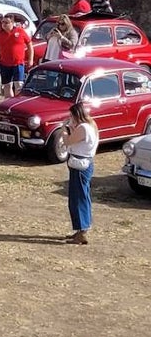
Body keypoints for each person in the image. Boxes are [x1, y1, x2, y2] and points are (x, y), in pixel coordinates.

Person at [63, 101, 99, 245]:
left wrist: (65, 130)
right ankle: (80, 229)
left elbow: (68, 141)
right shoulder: (91, 125)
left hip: (79, 166)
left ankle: (82, 230)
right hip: (85, 163)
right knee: (81, 196)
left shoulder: (83, 128)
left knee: (78, 198)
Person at [0, 14, 34, 98]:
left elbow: (29, 45)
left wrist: (30, 59)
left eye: (6, 22)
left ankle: (18, 103)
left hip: (18, 63)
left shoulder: (20, 31)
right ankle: (8, 104)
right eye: (3, 22)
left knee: (18, 85)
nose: (4, 24)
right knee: (7, 86)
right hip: (4, 64)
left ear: (12, 23)